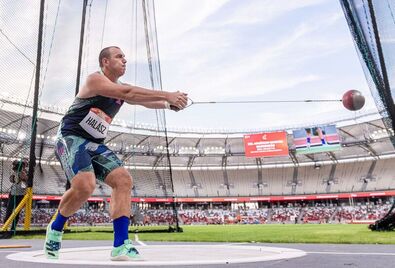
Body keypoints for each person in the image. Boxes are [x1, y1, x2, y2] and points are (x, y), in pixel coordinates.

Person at [44, 46, 188, 260]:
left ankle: (120, 245)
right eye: (119, 56)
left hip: (94, 143)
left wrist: (168, 104)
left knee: (123, 180)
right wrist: (168, 94)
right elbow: (128, 94)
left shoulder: (122, 87)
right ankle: (55, 228)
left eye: (125, 57)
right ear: (105, 62)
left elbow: (140, 99)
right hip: (71, 138)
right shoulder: (95, 80)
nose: (125, 60)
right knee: (85, 185)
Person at [4, 159, 28, 231]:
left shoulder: (26, 172)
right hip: (13, 193)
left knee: (17, 212)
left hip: (20, 195)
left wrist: (22, 174)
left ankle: (13, 228)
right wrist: (15, 173)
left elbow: (26, 180)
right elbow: (12, 180)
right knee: (9, 211)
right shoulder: (14, 172)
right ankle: (5, 227)